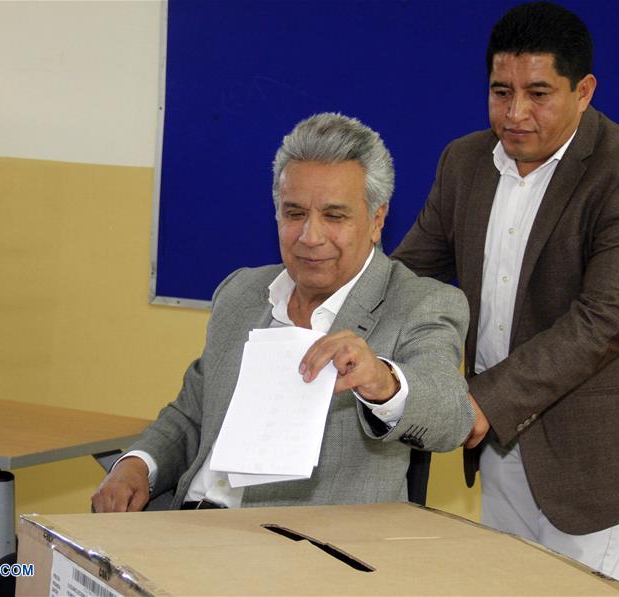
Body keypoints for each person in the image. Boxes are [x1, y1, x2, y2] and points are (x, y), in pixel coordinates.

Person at [392, 1, 619, 581]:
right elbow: (411, 273)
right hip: (496, 438)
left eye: (539, 93)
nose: (516, 113)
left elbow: (601, 322)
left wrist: (482, 404)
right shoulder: (463, 162)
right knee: (505, 585)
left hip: (587, 451)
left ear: (585, 91)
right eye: (501, 92)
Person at [93, 112, 474, 513]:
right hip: (182, 524)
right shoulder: (241, 292)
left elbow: (451, 413)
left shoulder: (420, 303)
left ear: (377, 219)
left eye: (334, 216)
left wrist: (384, 382)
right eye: (294, 214)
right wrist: (138, 465)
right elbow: (192, 414)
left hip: (301, 550)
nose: (310, 237)